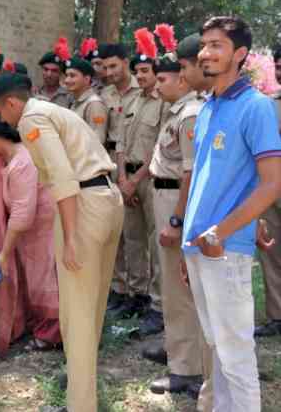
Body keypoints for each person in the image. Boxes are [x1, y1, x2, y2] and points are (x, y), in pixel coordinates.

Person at [0, 73, 123, 412]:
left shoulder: (32, 119)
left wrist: (72, 236)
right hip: (106, 197)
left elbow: (62, 177)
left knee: (76, 312)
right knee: (90, 307)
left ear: (12, 103)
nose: (2, 121)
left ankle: (80, 406)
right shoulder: (51, 111)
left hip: (85, 206)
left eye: (0, 112)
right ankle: (83, 388)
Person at [181, 16, 281, 411]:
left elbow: (272, 183)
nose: (205, 52)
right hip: (200, 245)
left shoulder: (255, 106)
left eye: (216, 45)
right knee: (218, 350)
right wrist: (193, 240)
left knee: (236, 355)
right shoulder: (208, 108)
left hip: (223, 248)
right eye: (204, 44)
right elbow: (221, 179)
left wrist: (219, 233)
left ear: (239, 55)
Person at [141, 45, 210, 401]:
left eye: (164, 77)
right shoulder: (177, 110)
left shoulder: (190, 115)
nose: (157, 84)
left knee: (180, 290)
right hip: (163, 193)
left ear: (183, 79)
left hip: (175, 200)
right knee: (171, 286)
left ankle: (188, 370)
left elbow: (190, 171)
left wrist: (175, 220)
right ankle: (177, 350)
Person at [0, 111, 61, 356]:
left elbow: (22, 214)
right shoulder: (1, 158)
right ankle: (31, 325)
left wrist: (4, 252)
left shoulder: (23, 162)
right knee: (24, 276)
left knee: (42, 278)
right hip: (21, 228)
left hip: (40, 227)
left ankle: (52, 335)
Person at [112, 29, 165, 330]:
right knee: (132, 239)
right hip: (127, 177)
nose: (141, 76)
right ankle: (137, 294)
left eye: (146, 71)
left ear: (156, 73)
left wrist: (135, 180)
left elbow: (159, 145)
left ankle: (158, 304)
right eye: (138, 71)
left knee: (154, 242)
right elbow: (119, 142)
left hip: (150, 178)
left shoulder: (164, 103)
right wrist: (122, 177)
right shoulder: (131, 102)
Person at [99, 43, 141, 315]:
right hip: (111, 161)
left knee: (136, 233)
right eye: (104, 67)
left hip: (136, 165)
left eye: (113, 65)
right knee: (114, 230)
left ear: (126, 63)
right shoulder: (104, 94)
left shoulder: (145, 91)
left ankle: (140, 291)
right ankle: (120, 288)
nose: (109, 71)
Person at [256, 46, 281, 337]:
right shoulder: (268, 105)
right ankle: (276, 314)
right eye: (277, 64)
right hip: (271, 187)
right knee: (272, 251)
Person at [64, 55, 108, 144]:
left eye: (72, 76)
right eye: (67, 75)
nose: (67, 80)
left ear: (87, 79)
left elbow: (97, 141)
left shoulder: (95, 104)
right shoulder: (76, 102)